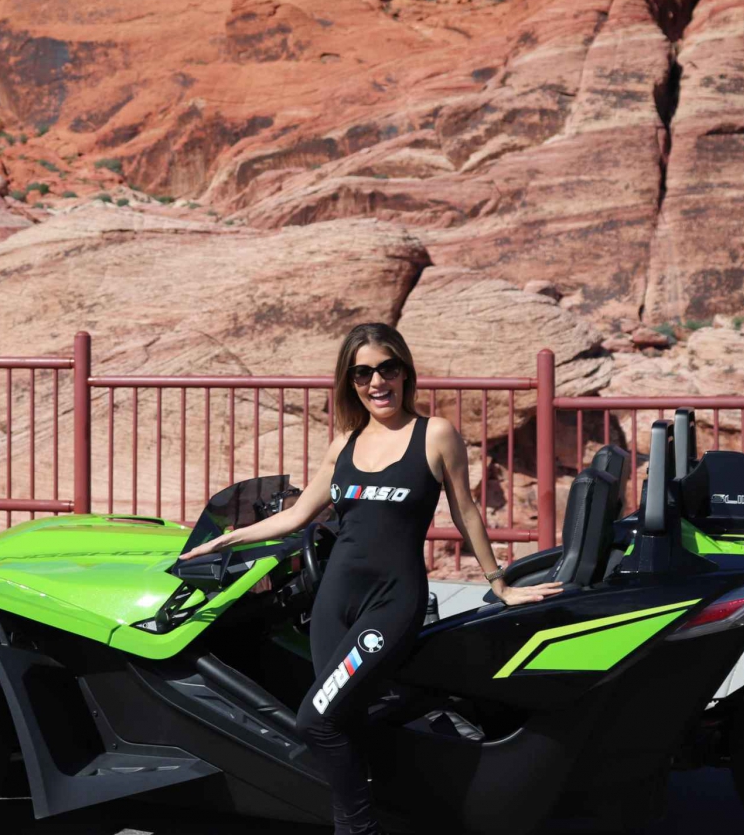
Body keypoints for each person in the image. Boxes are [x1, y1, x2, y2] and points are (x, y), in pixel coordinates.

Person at [180, 322, 561, 834]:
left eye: (387, 368)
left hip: (392, 602)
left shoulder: (435, 434)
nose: (376, 381)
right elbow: (297, 516)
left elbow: (466, 511)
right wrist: (225, 539)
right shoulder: (344, 444)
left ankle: (358, 829)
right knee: (342, 721)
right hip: (334, 602)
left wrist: (500, 583)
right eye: (363, 373)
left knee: (315, 720)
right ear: (350, 381)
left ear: (405, 372)